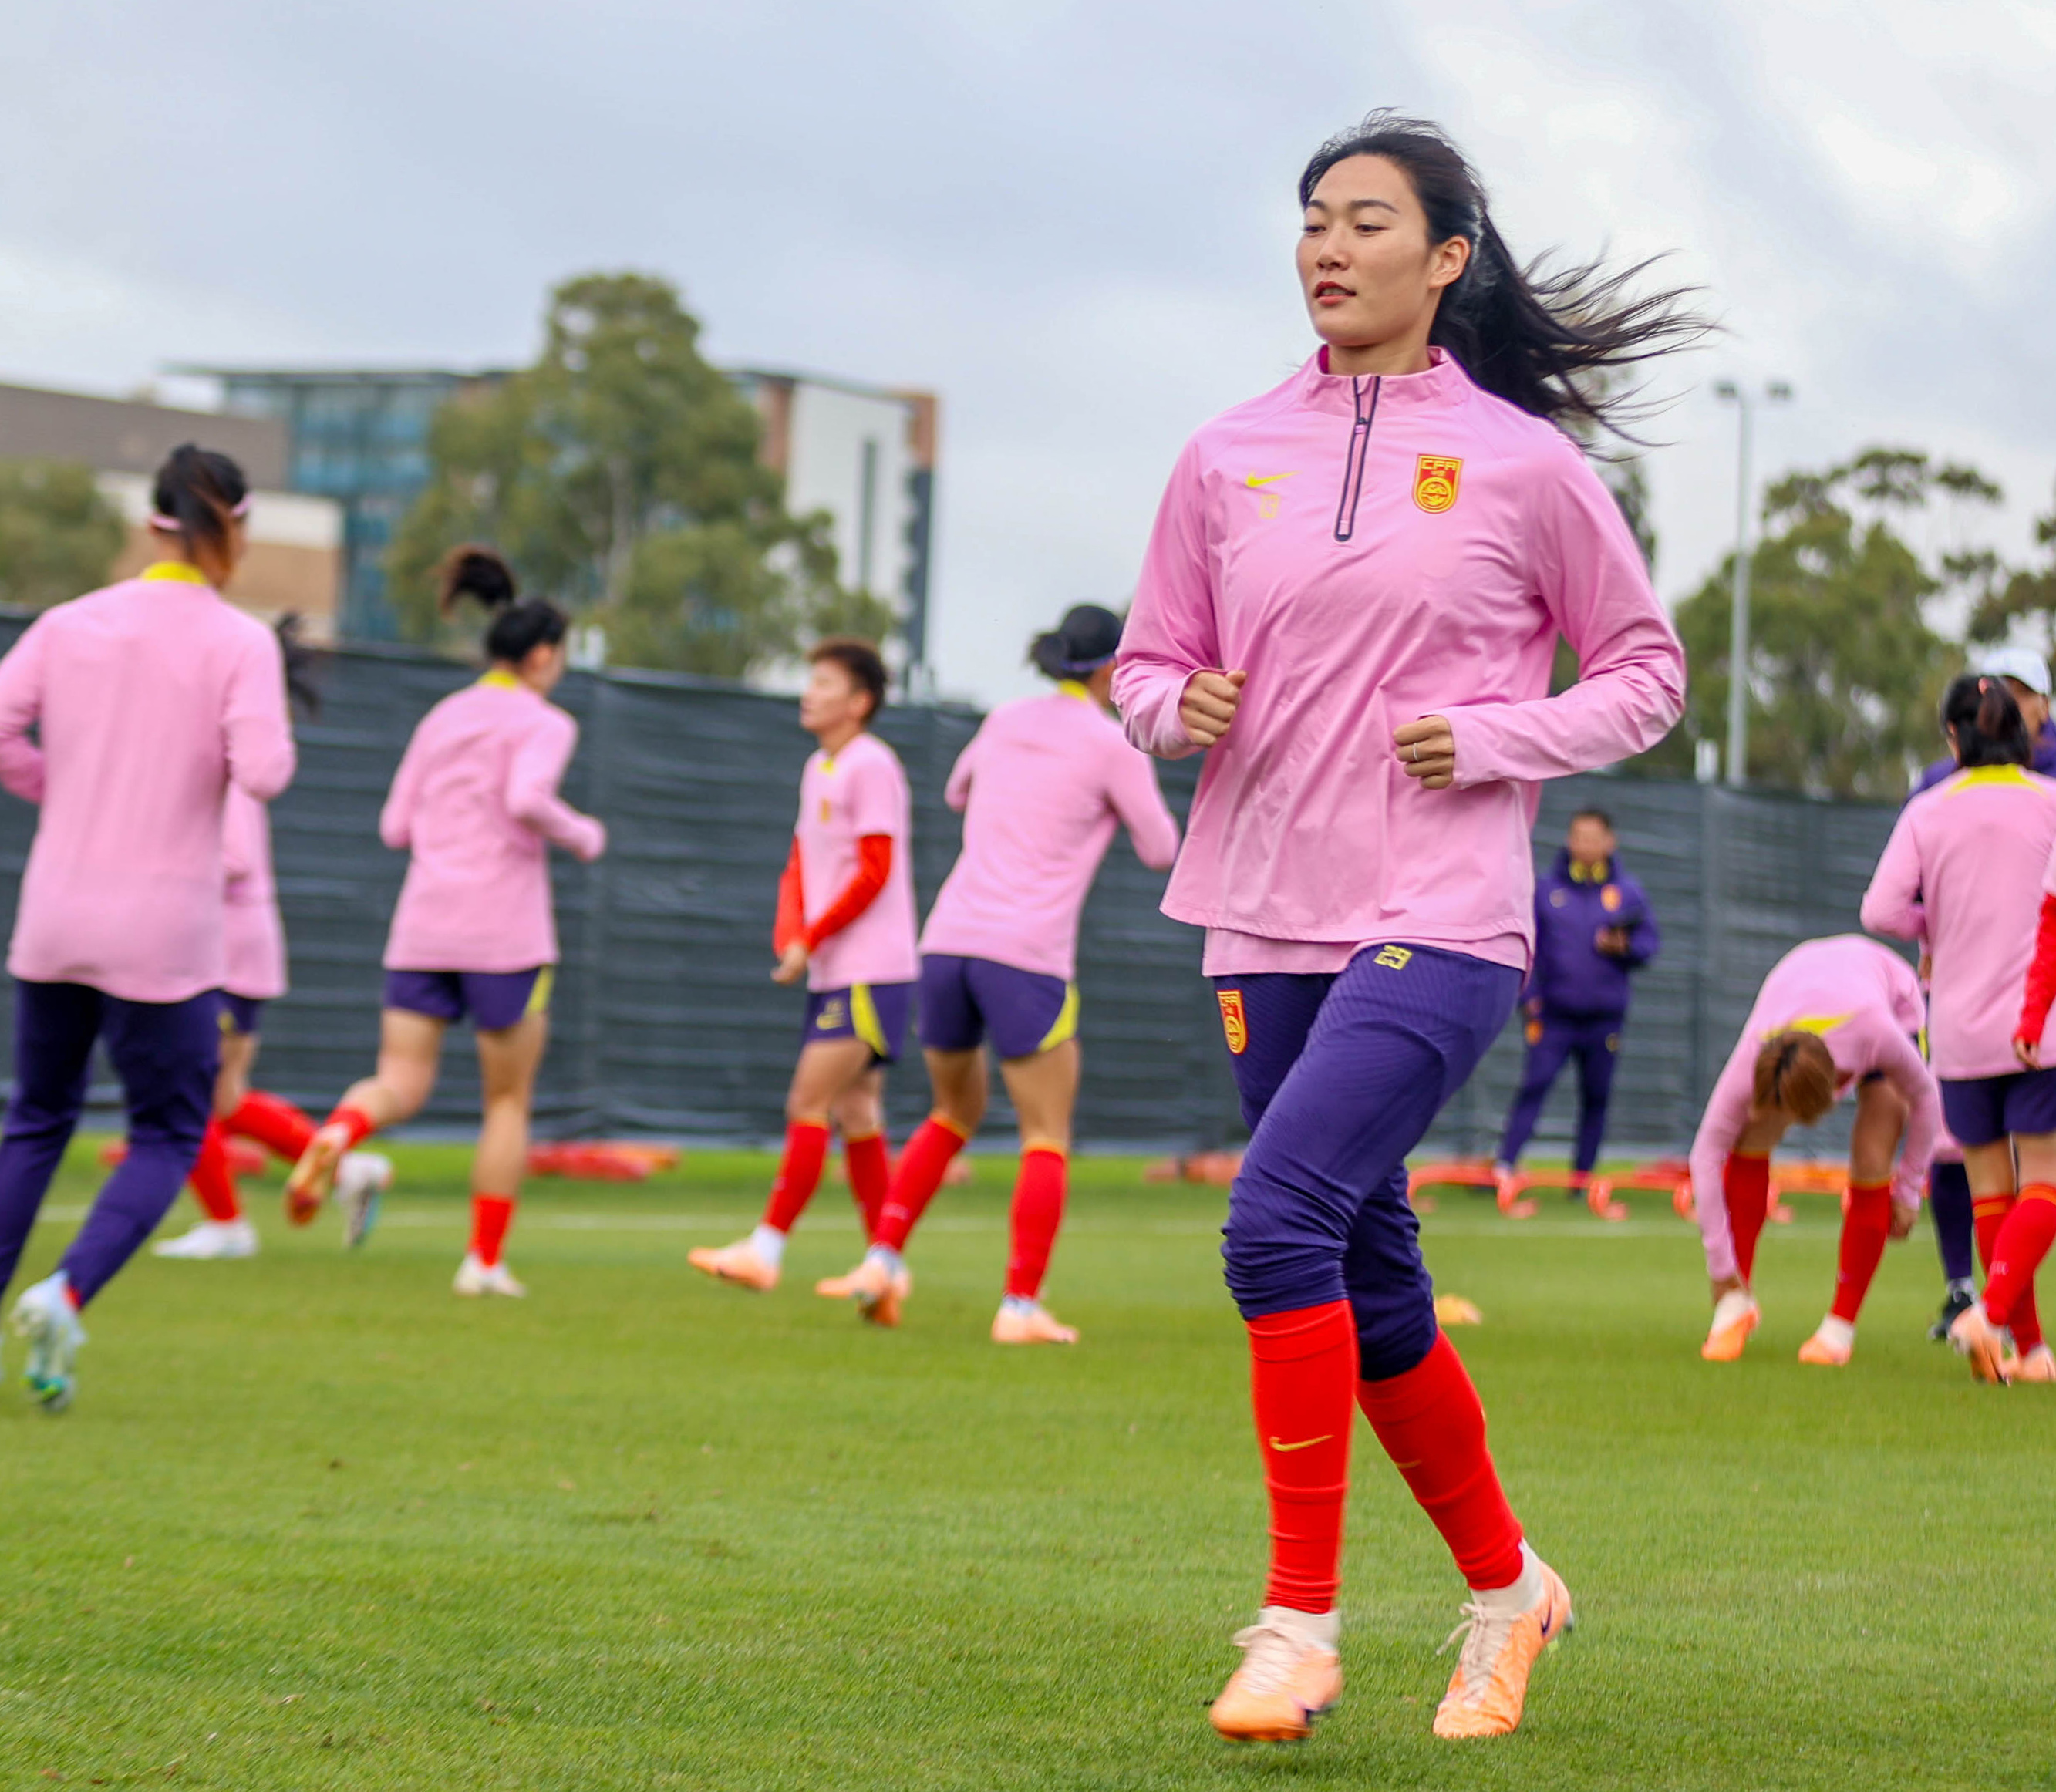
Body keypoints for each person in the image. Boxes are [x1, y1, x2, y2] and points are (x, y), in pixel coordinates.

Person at [1113, 113, 1694, 1744]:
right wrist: (1176, 702)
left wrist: (1500, 736)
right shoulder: (1223, 452)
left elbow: (1646, 670)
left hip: (1437, 919)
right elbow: (1146, 665)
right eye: (1310, 220)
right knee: (1365, 1279)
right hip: (1257, 912)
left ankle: (1297, 1628)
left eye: (1366, 221)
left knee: (1271, 1223)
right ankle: (1508, 1592)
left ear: (1443, 260)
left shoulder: (1524, 461)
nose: (1327, 246)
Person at [0, 445, 295, 1407]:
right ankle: (67, 1287)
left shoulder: (69, 621)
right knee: (169, 1132)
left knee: (36, 1120)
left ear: (154, 522)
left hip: (54, 915)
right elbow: (264, 772)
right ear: (233, 528)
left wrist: (64, 791)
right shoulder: (240, 641)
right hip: (164, 932)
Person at [814, 605, 1181, 1339]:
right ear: (1113, 667)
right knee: (1045, 1132)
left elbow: (956, 793)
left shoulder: (1006, 719)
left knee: (952, 1113)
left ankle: (883, 1258)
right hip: (1027, 955)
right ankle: (1019, 1305)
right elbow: (1161, 849)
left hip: (948, 943)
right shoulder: (1112, 746)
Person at [285, 547, 605, 1297]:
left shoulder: (442, 715)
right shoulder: (544, 720)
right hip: (504, 934)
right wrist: (583, 832)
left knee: (400, 1078)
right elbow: (528, 798)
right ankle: (483, 1261)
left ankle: (339, 1130)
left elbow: (396, 826)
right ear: (543, 655)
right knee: (506, 1100)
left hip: (423, 925)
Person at [153, 625, 391, 1261]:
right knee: (220, 1097)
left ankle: (229, 1224)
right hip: (233, 950)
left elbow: (231, 857)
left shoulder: (221, 766)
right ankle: (345, 1171)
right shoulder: (219, 758)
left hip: (225, 953)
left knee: (186, 1092)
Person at [689, 639, 918, 1295]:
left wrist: (811, 935)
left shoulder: (871, 765)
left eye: (823, 682)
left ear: (859, 702)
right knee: (857, 1111)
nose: (808, 692)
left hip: (872, 971)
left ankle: (766, 1248)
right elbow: (799, 860)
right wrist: (792, 934)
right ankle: (886, 1267)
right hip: (833, 968)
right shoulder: (819, 766)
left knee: (808, 1100)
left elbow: (874, 872)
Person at [1865, 674, 2056, 1382]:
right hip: (2039, 1027)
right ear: (2028, 735)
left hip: (1958, 1026)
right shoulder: (2050, 804)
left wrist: (1934, 930)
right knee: (2044, 1189)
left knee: (1991, 1194)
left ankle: (2030, 1353)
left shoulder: (1927, 810)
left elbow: (1880, 910)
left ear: (1952, 736)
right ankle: (1991, 1314)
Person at [1685, 935, 1940, 1365]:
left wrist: (1909, 1190)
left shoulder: (1877, 1034)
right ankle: (1735, 1303)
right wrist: (1720, 1270)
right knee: (1752, 1132)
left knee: (1873, 1150)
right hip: (1799, 981)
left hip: (1889, 998)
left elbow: (1928, 1100)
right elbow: (1704, 1156)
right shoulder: (1754, 1054)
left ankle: (1840, 1327)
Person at [1492, 808, 1657, 1197]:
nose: (1584, 844)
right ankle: (1503, 1169)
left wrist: (1625, 946)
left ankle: (1581, 1182)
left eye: (1592, 836)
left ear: (1608, 842)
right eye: (1577, 836)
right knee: (1534, 1086)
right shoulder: (1547, 890)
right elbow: (1527, 947)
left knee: (1596, 1098)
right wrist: (1530, 1002)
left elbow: (1650, 945)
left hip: (1605, 1020)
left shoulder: (1628, 892)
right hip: (1554, 1018)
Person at [1909, 646, 2056, 794]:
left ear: (2045, 706)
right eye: (1997, 693)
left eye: (2022, 693)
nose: (2010, 703)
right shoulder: (1936, 782)